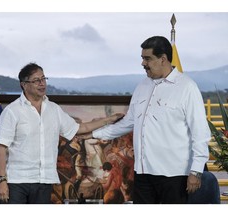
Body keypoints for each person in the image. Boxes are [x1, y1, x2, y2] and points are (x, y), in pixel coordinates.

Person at [87, 36, 211, 204]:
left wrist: (196, 172)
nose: (143, 63)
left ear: (163, 59)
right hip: (143, 174)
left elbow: (200, 133)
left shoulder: (187, 88)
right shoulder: (142, 86)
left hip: (174, 176)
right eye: (142, 58)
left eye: (147, 59)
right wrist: (93, 134)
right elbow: (128, 123)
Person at [0, 62, 123, 204]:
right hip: (17, 181)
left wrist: (109, 119)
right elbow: (1, 147)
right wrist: (2, 180)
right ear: (24, 85)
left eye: (43, 79)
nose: (42, 84)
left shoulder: (53, 109)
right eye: (36, 80)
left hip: (44, 181)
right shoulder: (12, 111)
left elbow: (80, 128)